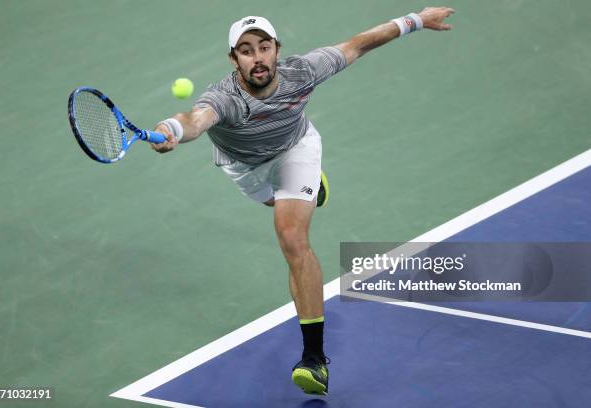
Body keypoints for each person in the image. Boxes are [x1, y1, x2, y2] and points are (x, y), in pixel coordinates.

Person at [151, 7, 455, 395]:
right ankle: (308, 191)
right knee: (273, 204)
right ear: (234, 59)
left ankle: (314, 360)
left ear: (277, 49)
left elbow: (359, 44)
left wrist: (415, 20)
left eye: (264, 47)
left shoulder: (303, 71)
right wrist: (172, 128)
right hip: (245, 168)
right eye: (246, 50)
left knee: (291, 235)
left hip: (295, 149)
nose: (257, 57)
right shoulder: (223, 99)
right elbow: (195, 119)